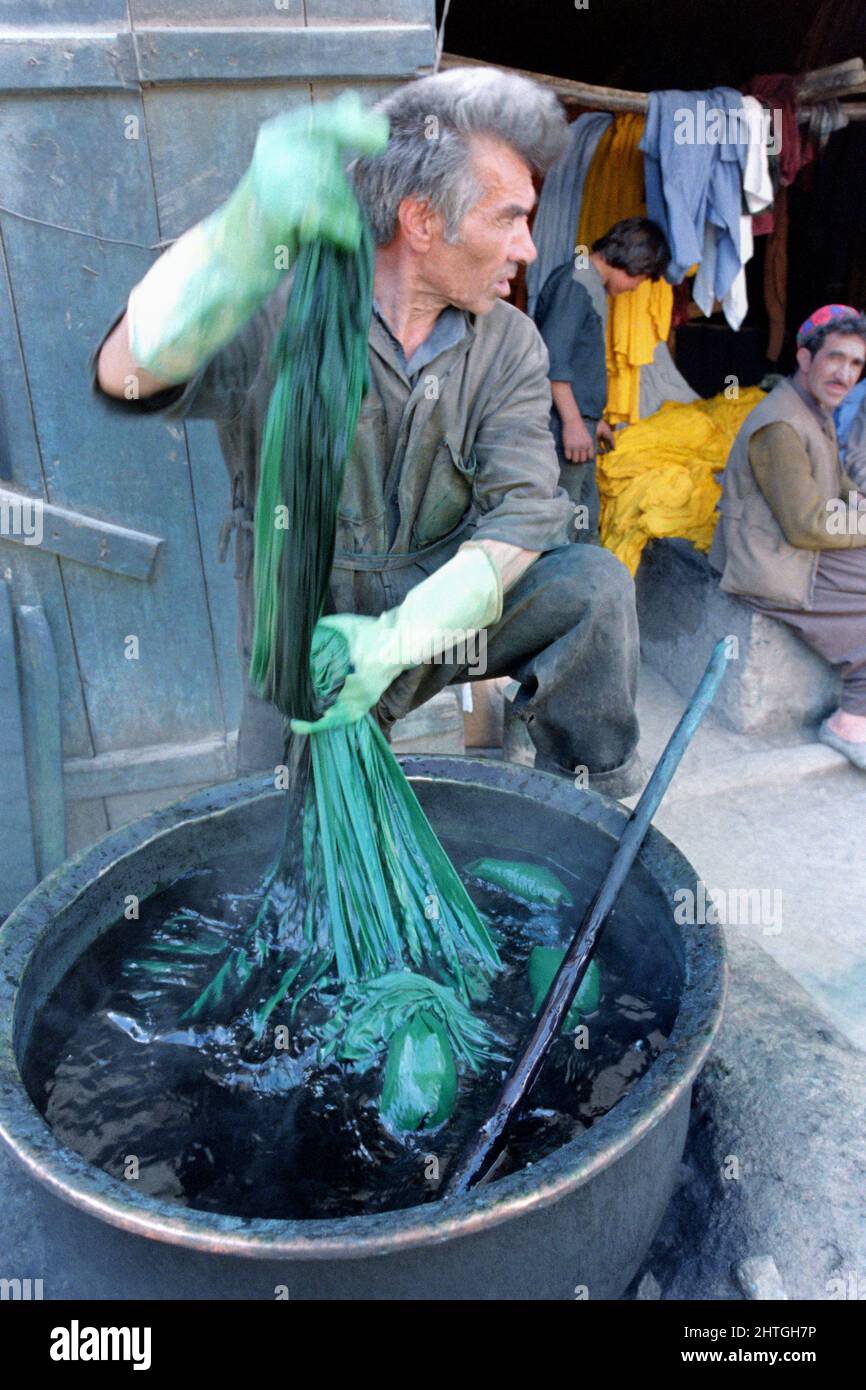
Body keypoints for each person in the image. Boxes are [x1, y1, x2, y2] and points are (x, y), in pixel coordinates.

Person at [93, 67, 643, 797]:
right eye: (508, 218)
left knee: (594, 585)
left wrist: (399, 639)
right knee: (269, 826)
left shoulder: (509, 341)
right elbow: (126, 374)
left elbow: (525, 509)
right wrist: (237, 233)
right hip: (305, 632)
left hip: (436, 612)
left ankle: (582, 806)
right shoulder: (283, 304)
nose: (529, 249)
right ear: (421, 221)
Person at [709, 304, 866, 769]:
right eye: (835, 357)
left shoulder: (816, 409)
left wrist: (859, 502)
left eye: (856, 363)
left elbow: (839, 486)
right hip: (767, 560)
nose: (845, 373)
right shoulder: (781, 422)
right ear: (803, 358)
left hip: (798, 546)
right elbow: (805, 524)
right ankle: (850, 721)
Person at [532, 218, 671, 543]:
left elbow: (577, 361)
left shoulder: (587, 281)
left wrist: (593, 421)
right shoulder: (577, 283)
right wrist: (573, 422)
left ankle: (584, 589)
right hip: (560, 425)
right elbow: (554, 361)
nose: (636, 287)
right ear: (633, 261)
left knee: (583, 518)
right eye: (641, 278)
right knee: (562, 527)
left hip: (576, 423)